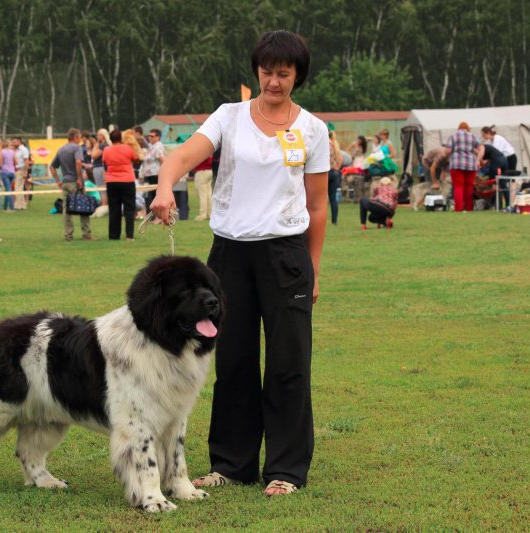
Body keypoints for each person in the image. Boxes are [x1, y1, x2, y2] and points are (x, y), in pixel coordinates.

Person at [150, 29, 329, 497]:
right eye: (267, 72)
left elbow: (318, 206)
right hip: (229, 255)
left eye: (283, 74)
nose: (273, 82)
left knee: (290, 361)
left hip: (286, 254)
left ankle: (286, 470)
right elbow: (183, 155)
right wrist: (166, 185)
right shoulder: (228, 118)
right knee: (232, 358)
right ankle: (232, 464)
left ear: (297, 76)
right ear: (257, 71)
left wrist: (313, 267)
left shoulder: (313, 129)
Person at [50, 128, 96, 241]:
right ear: (75, 137)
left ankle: (68, 235)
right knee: (83, 207)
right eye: (79, 137)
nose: (80, 139)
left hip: (65, 182)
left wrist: (58, 181)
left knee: (67, 209)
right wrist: (79, 178)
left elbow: (52, 167)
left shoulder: (61, 149)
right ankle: (86, 234)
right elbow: (78, 162)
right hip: (75, 181)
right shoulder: (77, 148)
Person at [102, 129, 139, 240]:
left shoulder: (106, 150)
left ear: (111, 139)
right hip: (127, 180)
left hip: (112, 181)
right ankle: (129, 235)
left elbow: (105, 163)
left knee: (114, 209)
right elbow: (135, 158)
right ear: (121, 138)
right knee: (129, 209)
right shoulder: (127, 148)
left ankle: (114, 235)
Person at [443, 122, 480, 212]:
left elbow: (448, 150)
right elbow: (480, 148)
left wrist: (447, 153)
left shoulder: (453, 136)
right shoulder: (473, 136)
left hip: (456, 163)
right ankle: (469, 208)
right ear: (467, 128)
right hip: (471, 164)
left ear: (458, 128)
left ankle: (459, 209)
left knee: (458, 186)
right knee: (469, 187)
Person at [141, 128, 165, 215]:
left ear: (158, 137)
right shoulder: (151, 146)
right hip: (149, 175)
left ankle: (158, 216)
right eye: (148, 136)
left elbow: (163, 161)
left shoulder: (158, 147)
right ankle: (152, 215)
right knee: (149, 196)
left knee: (155, 196)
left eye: (152, 136)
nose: (149, 138)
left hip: (155, 175)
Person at [477, 142, 509, 208]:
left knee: (494, 183)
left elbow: (482, 151)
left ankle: (498, 206)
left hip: (497, 161)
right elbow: (485, 162)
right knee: (503, 184)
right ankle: (508, 204)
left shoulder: (482, 146)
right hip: (504, 160)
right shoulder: (491, 151)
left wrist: (477, 160)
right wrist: (481, 164)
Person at [91, 128, 111, 206]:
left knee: (101, 187)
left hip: (99, 167)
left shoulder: (103, 145)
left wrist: (95, 146)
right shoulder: (108, 144)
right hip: (104, 168)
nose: (97, 136)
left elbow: (93, 156)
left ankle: (104, 204)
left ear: (102, 136)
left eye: (98, 135)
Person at [328, 130, 343, 224]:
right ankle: (334, 220)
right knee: (333, 198)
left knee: (320, 199)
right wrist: (337, 167)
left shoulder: (325, 143)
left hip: (326, 172)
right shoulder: (334, 144)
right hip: (334, 172)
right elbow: (341, 158)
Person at [11, 137, 30, 210]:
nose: (13, 143)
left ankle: (18, 206)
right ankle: (22, 205)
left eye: (15, 142)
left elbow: (26, 161)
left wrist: (25, 172)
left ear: (19, 141)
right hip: (16, 170)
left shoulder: (24, 150)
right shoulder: (16, 150)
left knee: (17, 188)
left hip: (21, 170)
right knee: (20, 188)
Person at [193, 156, 214, 221]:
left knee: (202, 194)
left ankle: (203, 214)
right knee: (208, 194)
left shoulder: (198, 149)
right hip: (210, 170)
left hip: (201, 171)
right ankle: (210, 213)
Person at [0, 140, 16, 211]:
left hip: (5, 172)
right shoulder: (12, 152)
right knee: (8, 189)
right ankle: (5, 207)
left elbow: (0, 163)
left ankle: (11, 207)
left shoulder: (2, 152)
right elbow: (15, 161)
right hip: (12, 172)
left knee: (8, 190)